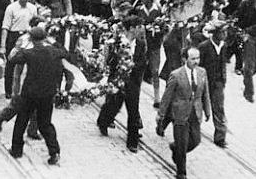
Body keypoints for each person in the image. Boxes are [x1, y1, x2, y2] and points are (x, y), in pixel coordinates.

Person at [7, 26, 68, 165]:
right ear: (45, 38)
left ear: (32, 39)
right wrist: (52, 41)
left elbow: (12, 59)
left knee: (21, 121)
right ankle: (54, 152)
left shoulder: (29, 53)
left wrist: (20, 46)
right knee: (45, 124)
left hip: (30, 93)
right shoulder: (54, 51)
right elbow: (65, 52)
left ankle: (16, 150)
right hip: (47, 93)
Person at [156, 47, 211, 179]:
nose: (196, 61)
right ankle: (181, 172)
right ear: (184, 59)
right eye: (193, 59)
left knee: (195, 141)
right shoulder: (176, 75)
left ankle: (175, 149)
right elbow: (167, 96)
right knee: (182, 143)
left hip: (195, 112)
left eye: (198, 58)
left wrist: (207, 110)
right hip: (180, 113)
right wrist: (161, 114)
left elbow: (205, 93)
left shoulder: (202, 72)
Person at [97, 15, 147, 153]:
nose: (141, 30)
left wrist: (132, 66)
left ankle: (133, 141)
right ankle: (103, 121)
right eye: (138, 27)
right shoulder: (117, 42)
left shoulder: (141, 44)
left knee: (133, 111)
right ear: (131, 28)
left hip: (133, 82)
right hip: (117, 80)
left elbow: (143, 62)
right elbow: (110, 61)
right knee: (113, 105)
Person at [1, 0, 39, 98]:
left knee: (30, 64)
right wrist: (2, 45)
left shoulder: (32, 8)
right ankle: (9, 91)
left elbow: (35, 24)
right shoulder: (11, 8)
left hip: (28, 37)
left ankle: (27, 90)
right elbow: (5, 27)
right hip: (14, 36)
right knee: (11, 64)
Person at [198, 22, 228, 147]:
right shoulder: (204, 46)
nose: (225, 35)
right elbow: (198, 65)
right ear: (215, 34)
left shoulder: (223, 46)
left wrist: (223, 78)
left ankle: (220, 136)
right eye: (222, 32)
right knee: (197, 106)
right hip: (204, 82)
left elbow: (223, 63)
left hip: (218, 82)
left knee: (219, 108)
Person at [136, 0, 163, 107]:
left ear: (150, 0)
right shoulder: (138, 10)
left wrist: (157, 30)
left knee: (155, 71)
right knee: (137, 70)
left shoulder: (158, 11)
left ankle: (157, 98)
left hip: (154, 46)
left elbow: (163, 28)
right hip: (141, 46)